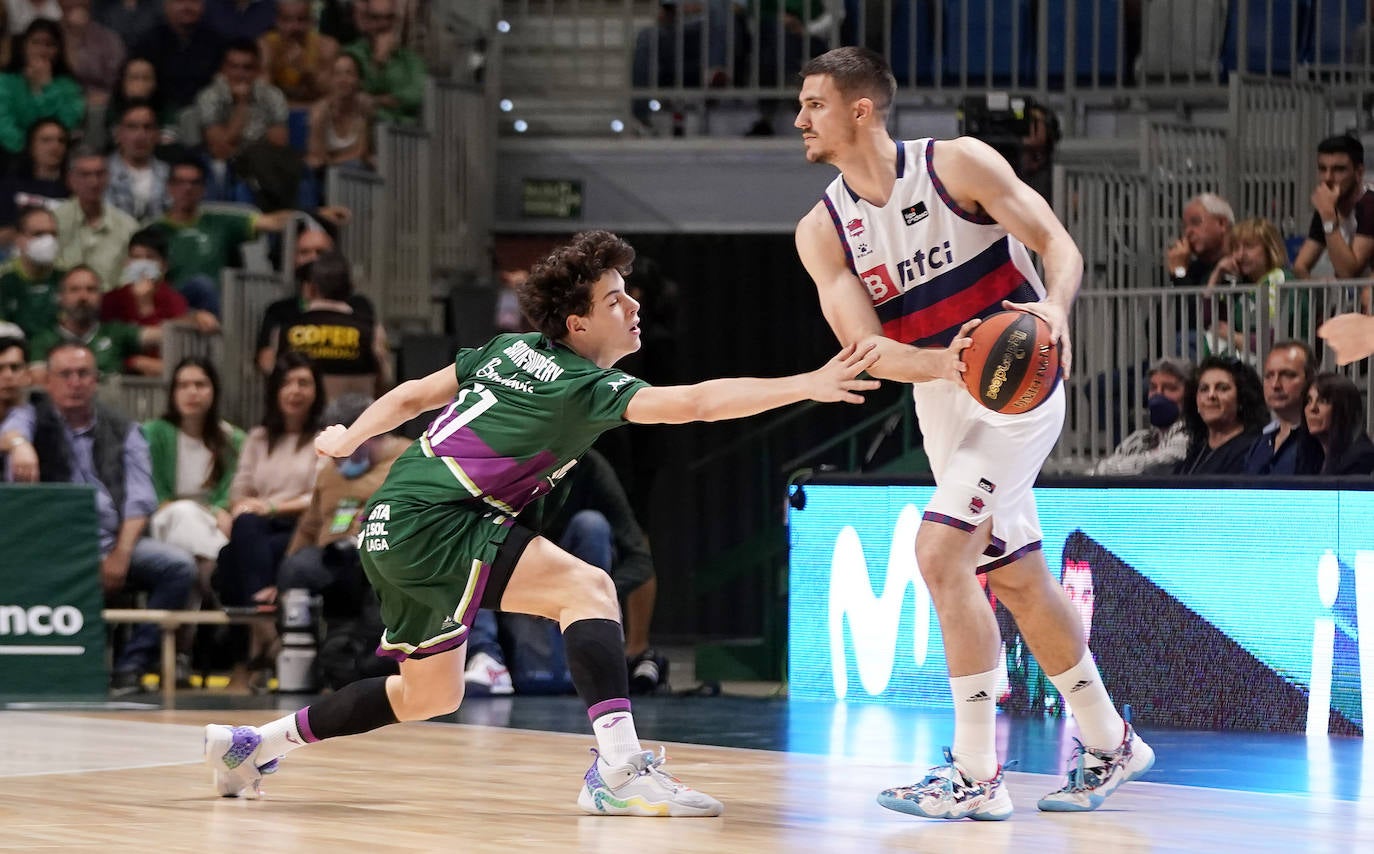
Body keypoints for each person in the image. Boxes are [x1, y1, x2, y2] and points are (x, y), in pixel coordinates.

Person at [203, 229, 879, 816]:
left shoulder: (507, 349)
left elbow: (411, 394)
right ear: (579, 325)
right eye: (616, 299)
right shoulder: (583, 385)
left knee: (428, 693)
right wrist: (807, 383)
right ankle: (618, 770)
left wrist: (350, 438)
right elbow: (697, 404)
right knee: (586, 589)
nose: (634, 306)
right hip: (441, 517)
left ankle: (253, 746)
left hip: (393, 520)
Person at [790, 47, 1152, 821]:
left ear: (862, 109)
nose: (799, 119)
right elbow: (864, 351)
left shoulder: (956, 164)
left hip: (1021, 384)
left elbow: (1060, 245)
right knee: (1017, 576)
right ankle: (1109, 738)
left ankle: (977, 774)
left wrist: (1052, 310)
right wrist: (940, 364)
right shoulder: (822, 231)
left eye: (814, 104)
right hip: (942, 395)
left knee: (939, 551)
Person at [0, 341, 198, 694]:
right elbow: (11, 431)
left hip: (111, 543)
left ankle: (129, 667)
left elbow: (140, 500)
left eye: (83, 374)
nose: (75, 382)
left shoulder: (125, 428)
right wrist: (19, 446)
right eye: (65, 374)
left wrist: (120, 555)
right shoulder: (31, 415)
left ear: (95, 380)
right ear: (48, 380)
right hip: (52, 546)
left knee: (178, 567)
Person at [1090, 357, 1191, 476]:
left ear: (1189, 395)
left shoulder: (1190, 438)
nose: (1158, 395)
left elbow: (1151, 466)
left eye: (1169, 388)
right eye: (1153, 388)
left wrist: (1103, 468)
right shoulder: (1137, 439)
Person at [1293, 135, 1374, 281]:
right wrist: (1321, 288)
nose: (1328, 178)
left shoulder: (1369, 204)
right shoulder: (1327, 207)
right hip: (1352, 300)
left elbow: (1349, 274)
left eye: (1338, 170)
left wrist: (1329, 217)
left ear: (1359, 173)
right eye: (1323, 169)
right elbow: (1300, 267)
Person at [1173, 355, 1267, 475]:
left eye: (1222, 388)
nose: (1211, 395)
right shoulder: (1195, 452)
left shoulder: (1253, 451)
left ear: (1241, 399)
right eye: (1204, 389)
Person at [1241, 340, 1322, 475]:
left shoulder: (1322, 441)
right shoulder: (1259, 443)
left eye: (1288, 375)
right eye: (1269, 376)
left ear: (1311, 379)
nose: (1275, 385)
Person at [1305, 372, 1374, 475]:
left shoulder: (1360, 458)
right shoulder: (1310, 455)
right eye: (1309, 400)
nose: (1312, 408)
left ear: (1344, 409)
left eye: (1323, 401)